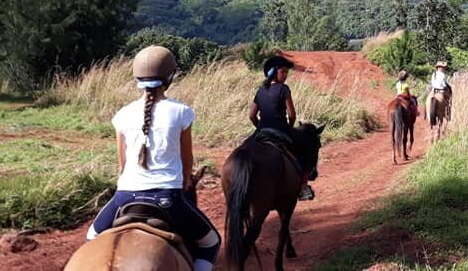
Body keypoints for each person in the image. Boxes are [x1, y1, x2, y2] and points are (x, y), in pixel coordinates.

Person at [86, 46, 220, 271]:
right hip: (168, 198)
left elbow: (122, 166)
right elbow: (187, 161)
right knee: (211, 243)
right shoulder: (181, 111)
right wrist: (186, 180)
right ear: (170, 77)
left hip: (124, 198)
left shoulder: (122, 115)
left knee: (92, 238)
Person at [248, 55, 315, 201]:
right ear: (273, 72)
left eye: (286, 73)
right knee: (302, 152)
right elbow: (291, 115)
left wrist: (259, 127)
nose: (285, 76)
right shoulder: (284, 89)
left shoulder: (260, 91)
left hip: (261, 131)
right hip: (281, 130)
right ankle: (303, 187)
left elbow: (252, 115)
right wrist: (289, 128)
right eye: (283, 72)